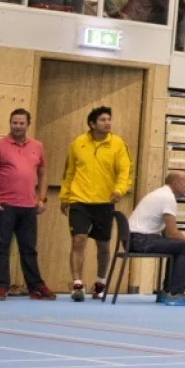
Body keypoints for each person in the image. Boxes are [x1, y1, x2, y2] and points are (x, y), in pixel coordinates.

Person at [0, 107, 53, 300]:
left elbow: (43, 173)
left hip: (28, 206)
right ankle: (1, 288)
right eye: (14, 122)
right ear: (10, 123)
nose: (17, 126)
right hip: (4, 206)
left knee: (29, 249)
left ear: (28, 124)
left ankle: (36, 287)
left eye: (21, 123)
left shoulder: (38, 146)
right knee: (1, 248)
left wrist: (42, 198)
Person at [60, 106, 133, 302]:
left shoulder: (118, 144)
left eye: (109, 119)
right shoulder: (78, 143)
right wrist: (65, 196)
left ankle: (100, 282)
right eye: (102, 120)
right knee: (78, 240)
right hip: (79, 200)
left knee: (103, 245)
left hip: (104, 202)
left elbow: (124, 171)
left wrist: (119, 190)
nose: (107, 123)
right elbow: (69, 172)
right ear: (92, 124)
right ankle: (77, 283)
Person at [125, 170, 185, 305]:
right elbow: (172, 232)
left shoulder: (161, 194)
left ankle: (168, 292)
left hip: (134, 238)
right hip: (140, 239)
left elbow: (169, 232)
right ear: (175, 183)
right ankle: (176, 293)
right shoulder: (167, 198)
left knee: (178, 246)